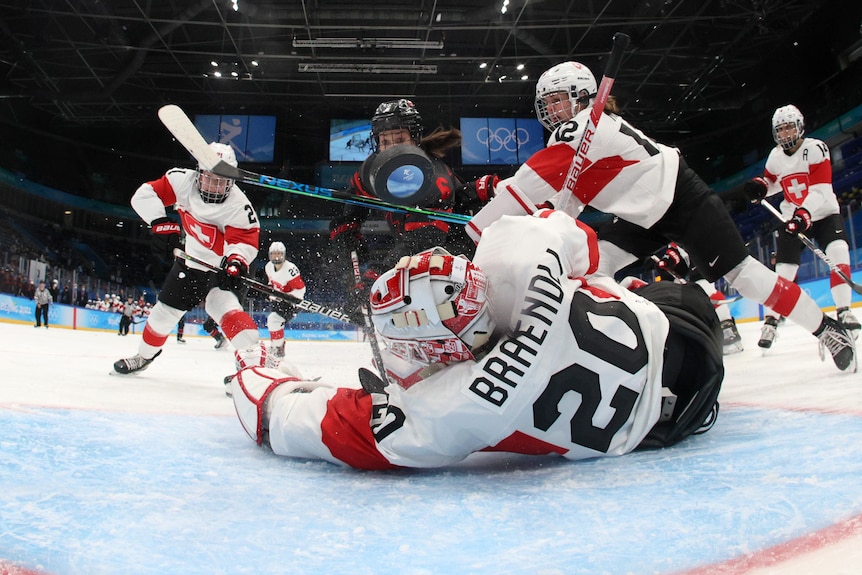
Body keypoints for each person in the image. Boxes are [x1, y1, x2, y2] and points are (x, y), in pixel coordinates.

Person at [227, 211, 723, 468]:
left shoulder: (455, 405)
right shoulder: (513, 250)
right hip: (683, 328)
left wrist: (259, 385)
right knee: (606, 280)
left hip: (657, 428)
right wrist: (569, 287)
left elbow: (298, 423)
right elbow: (582, 244)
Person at [466, 61, 856, 372]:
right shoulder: (572, 138)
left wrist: (477, 231)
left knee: (746, 277)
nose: (551, 110)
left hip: (680, 198)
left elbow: (530, 184)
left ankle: (827, 328)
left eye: (558, 100)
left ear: (583, 97)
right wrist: (521, 209)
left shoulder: (587, 127)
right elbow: (561, 209)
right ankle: (627, 316)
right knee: (588, 267)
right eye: (547, 103)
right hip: (639, 217)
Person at [113, 142, 264, 375]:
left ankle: (254, 368)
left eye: (221, 180)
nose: (214, 186)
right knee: (162, 314)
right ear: (198, 172)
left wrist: (236, 261)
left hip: (222, 270)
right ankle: (144, 356)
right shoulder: (181, 181)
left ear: (232, 180)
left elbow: (244, 241)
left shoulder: (239, 206)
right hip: (190, 264)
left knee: (224, 309)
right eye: (209, 178)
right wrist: (160, 223)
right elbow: (144, 195)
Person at [328, 99, 485, 320]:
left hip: (458, 259)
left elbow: (421, 242)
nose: (392, 147)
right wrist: (347, 235)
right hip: (418, 256)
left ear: (414, 138)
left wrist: (376, 278)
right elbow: (352, 208)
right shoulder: (369, 171)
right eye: (384, 141)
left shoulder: (433, 177)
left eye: (400, 139)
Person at [725, 105, 860, 350]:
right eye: (781, 129)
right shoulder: (776, 156)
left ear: (799, 127)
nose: (785, 133)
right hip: (792, 218)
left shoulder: (816, 148)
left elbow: (819, 188)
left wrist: (803, 213)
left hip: (824, 213)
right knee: (784, 272)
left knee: (838, 252)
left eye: (789, 127)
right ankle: (771, 322)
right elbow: (774, 182)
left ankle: (844, 311)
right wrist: (761, 186)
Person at [655, 243, 744, 355]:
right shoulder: (674, 244)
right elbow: (673, 255)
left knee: (711, 293)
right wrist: (666, 263)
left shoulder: (694, 236)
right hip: (682, 285)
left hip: (699, 277)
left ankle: (727, 331)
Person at [263, 241, 306, 359]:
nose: (276, 256)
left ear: (284, 255)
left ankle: (277, 348)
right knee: (273, 321)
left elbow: (300, 289)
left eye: (279, 254)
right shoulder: (268, 267)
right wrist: (272, 294)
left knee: (274, 320)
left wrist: (291, 300)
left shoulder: (290, 269)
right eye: (274, 254)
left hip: (293, 302)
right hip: (280, 300)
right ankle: (277, 346)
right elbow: (272, 284)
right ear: (269, 255)